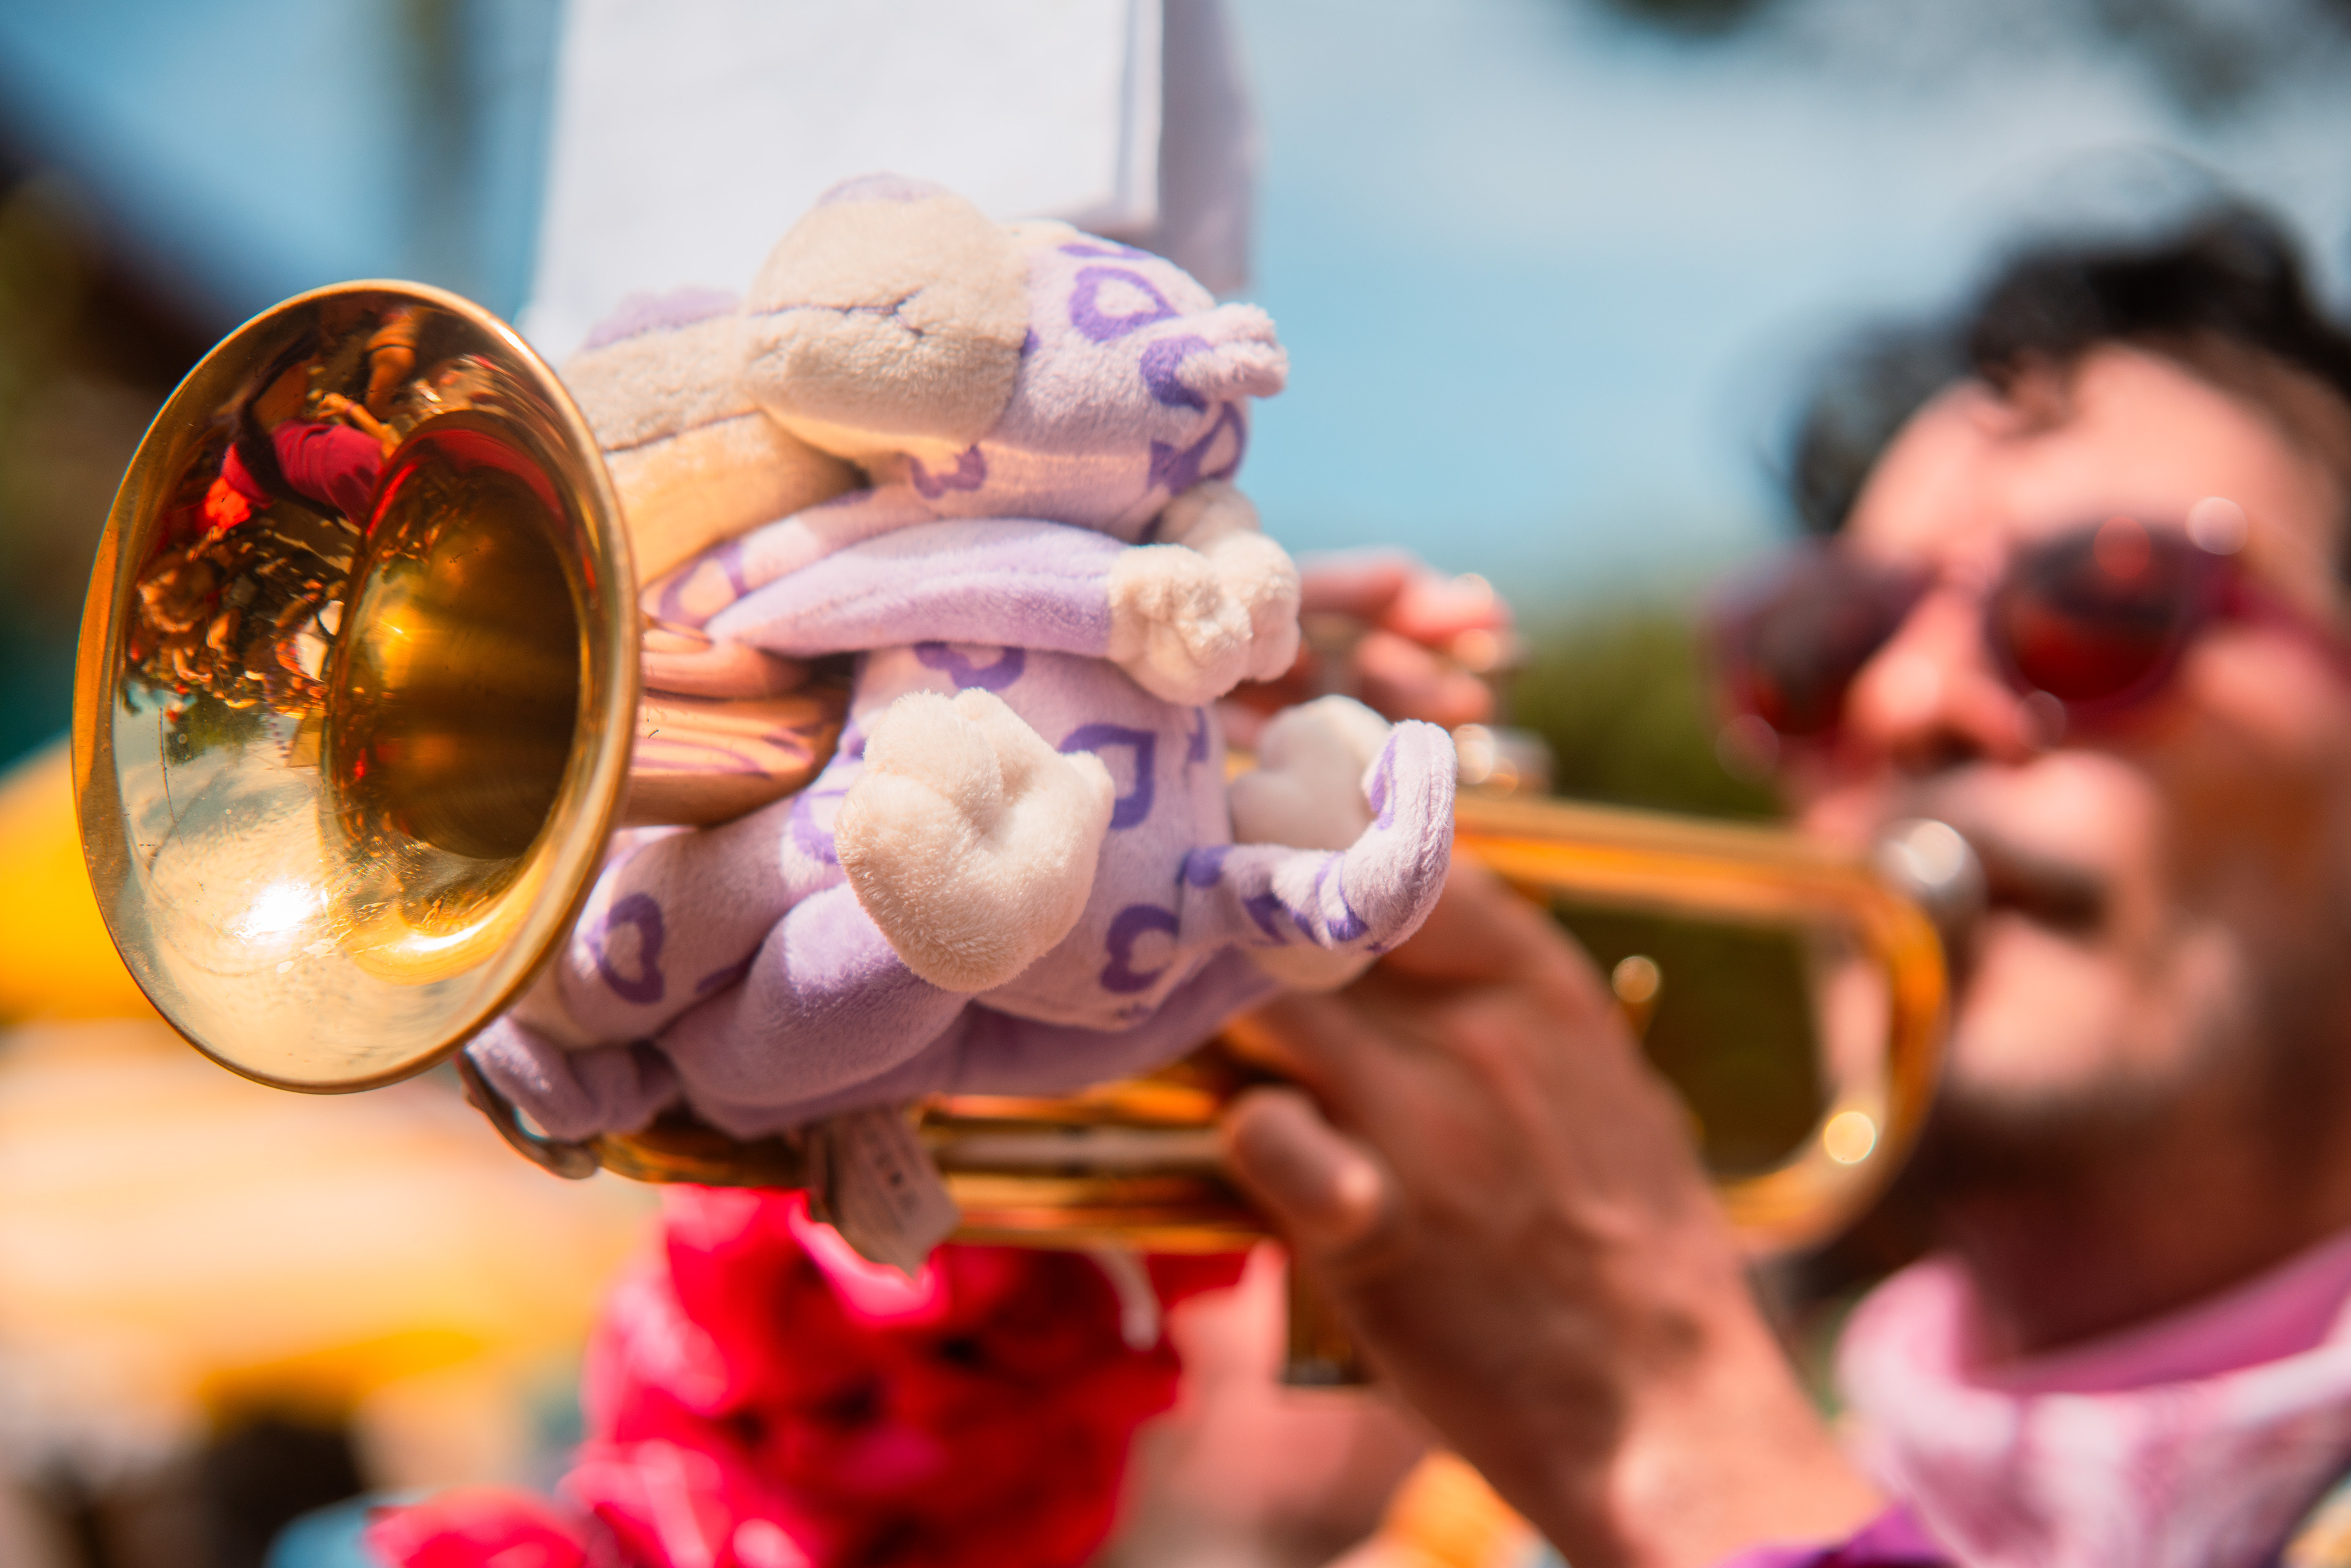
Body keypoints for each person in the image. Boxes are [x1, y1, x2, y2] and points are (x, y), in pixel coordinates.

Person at [1218, 203, 2351, 1568]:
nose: (1907, 701)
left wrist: (1677, 1432)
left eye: (2103, 600)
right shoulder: (1491, 1536)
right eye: (1829, 642)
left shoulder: (1665, 1454)